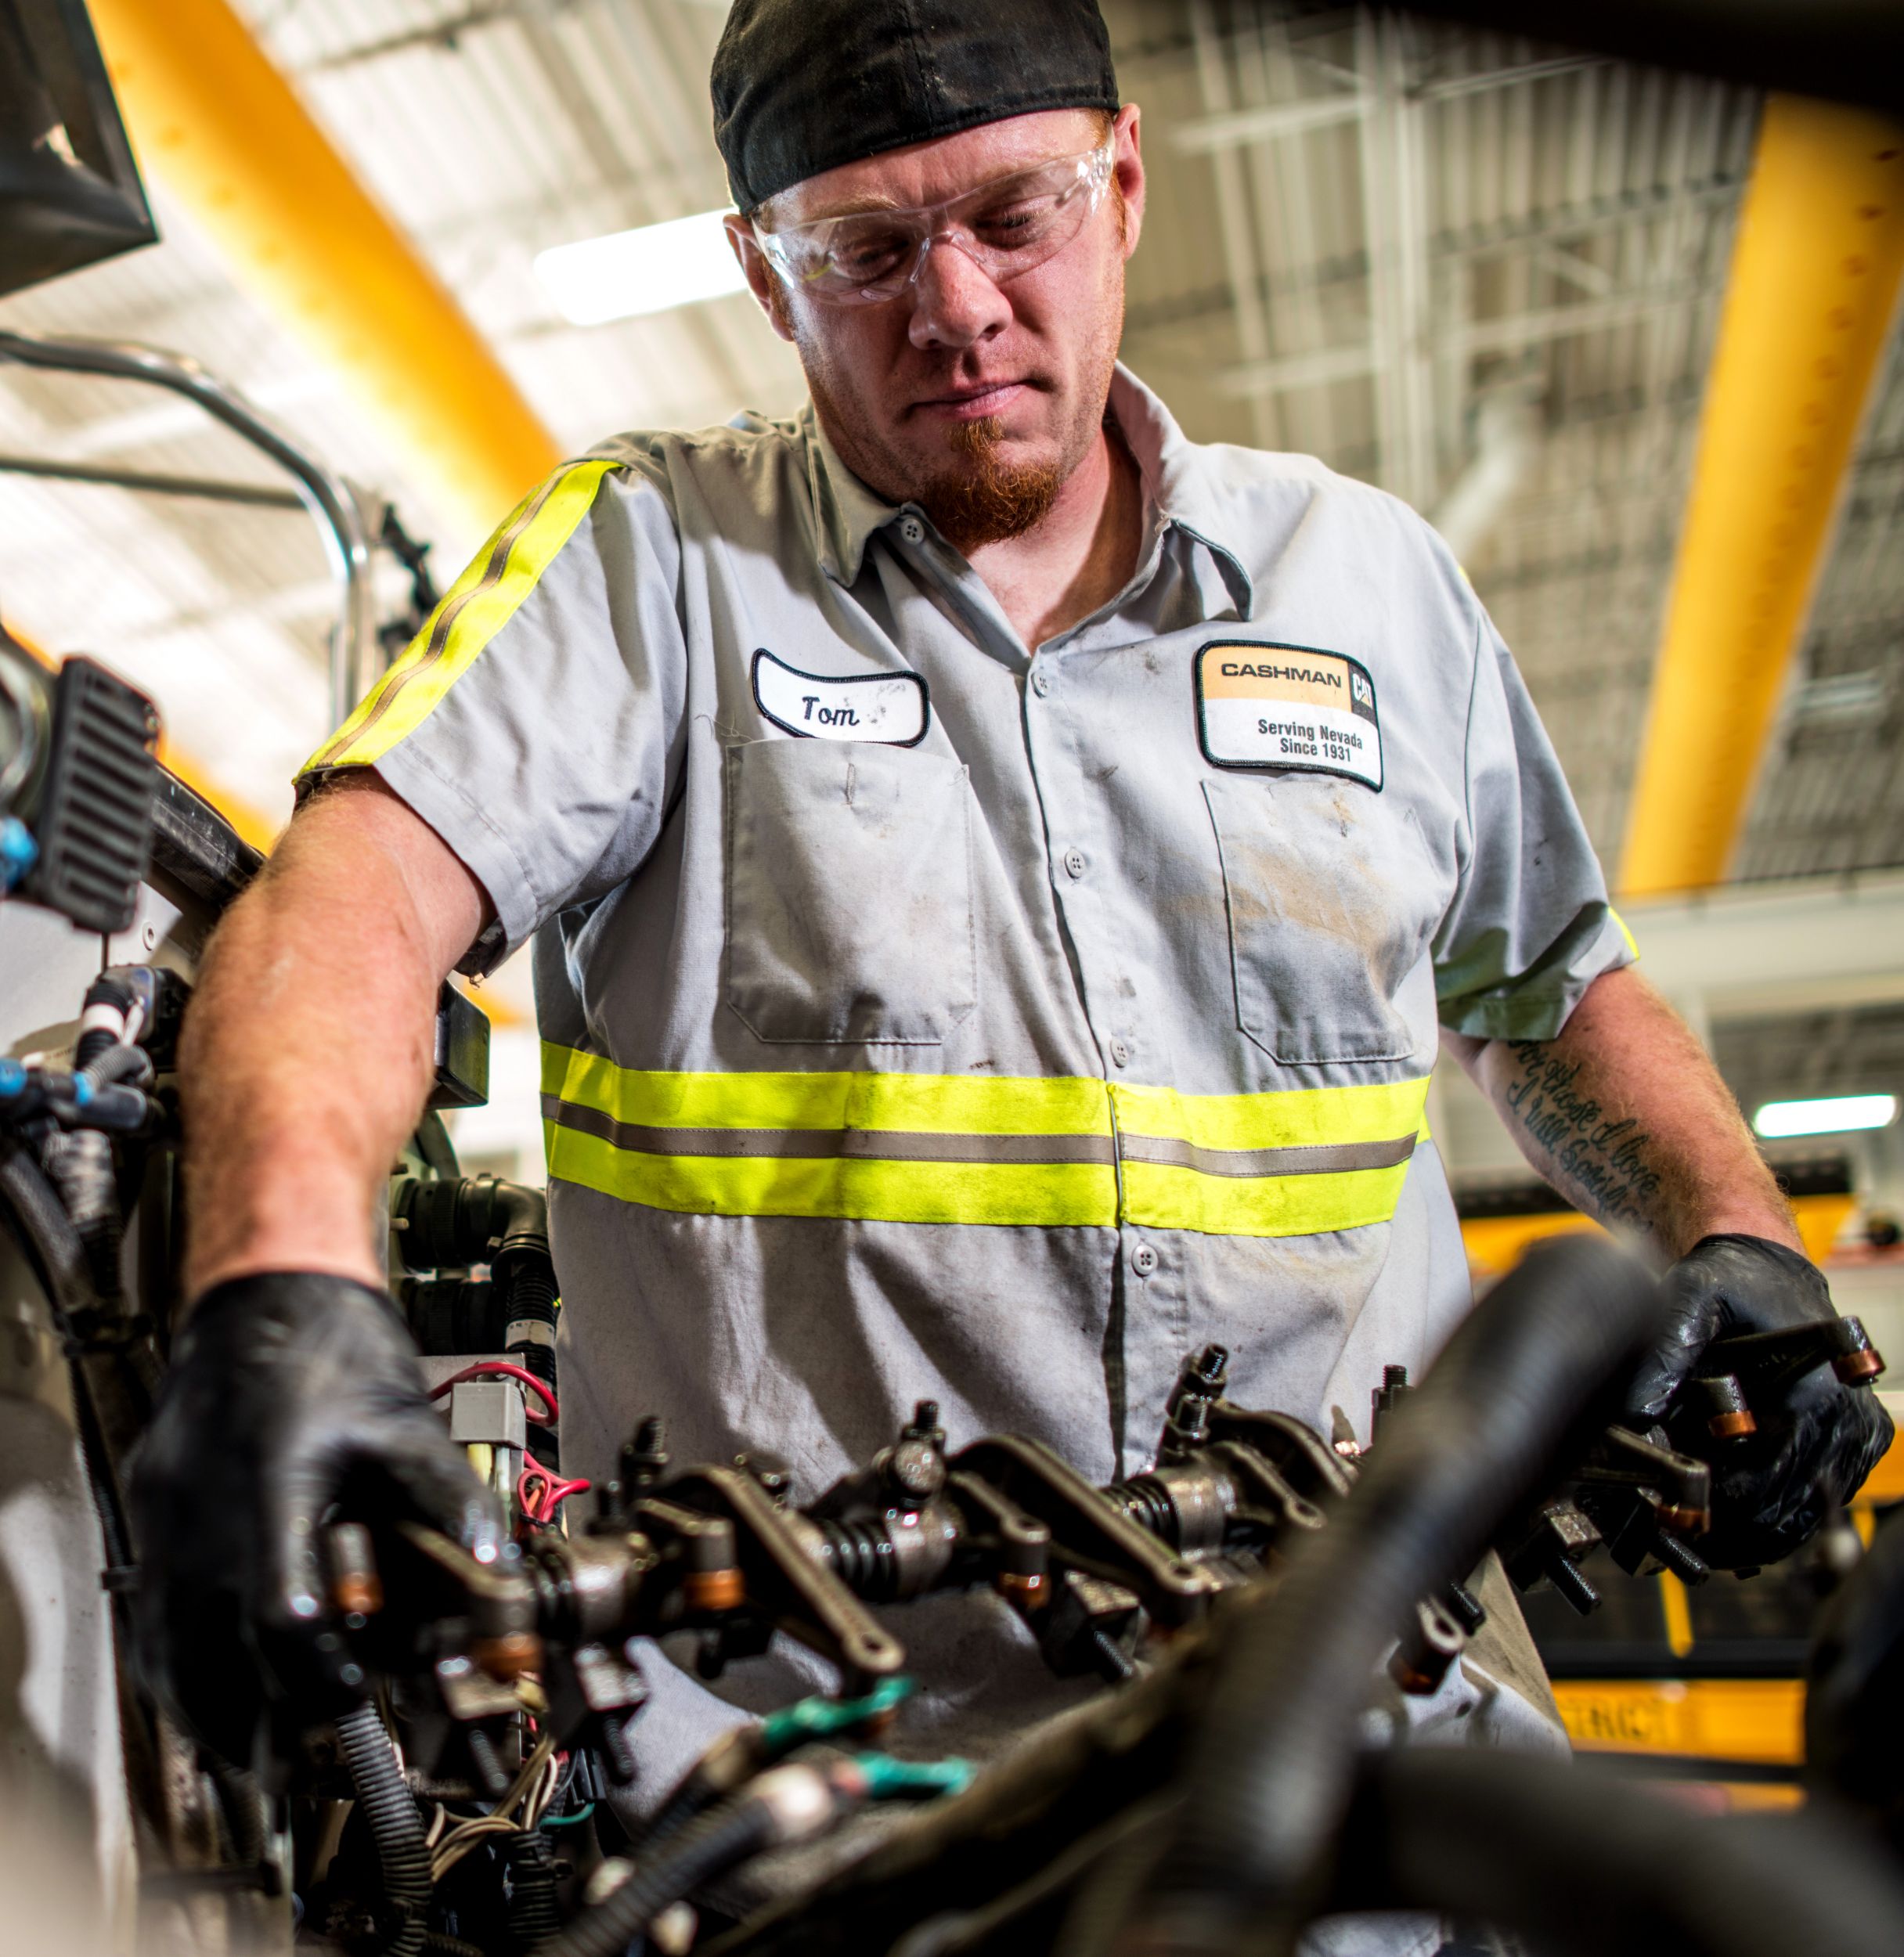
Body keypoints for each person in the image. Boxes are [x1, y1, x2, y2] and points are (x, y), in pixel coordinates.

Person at [132, 0, 1888, 1811]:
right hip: (827, 1811)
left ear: (1122, 182)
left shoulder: (1371, 586)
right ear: (762, 274)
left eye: (1012, 215)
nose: (954, 305)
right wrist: (278, 1281)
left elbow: (1555, 990)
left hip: (1372, 1746)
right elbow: (343, 898)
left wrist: (1738, 1234)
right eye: (867, 250)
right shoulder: (649, 566)